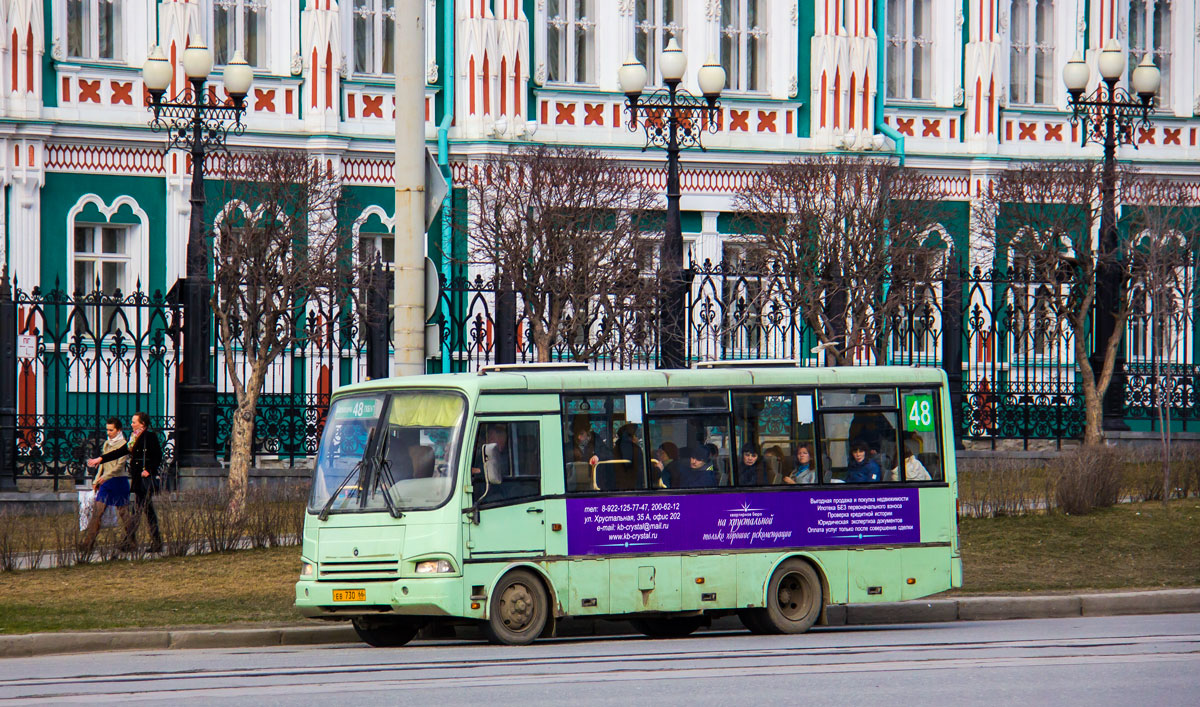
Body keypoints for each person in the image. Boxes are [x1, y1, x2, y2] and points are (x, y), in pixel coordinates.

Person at [87, 411, 163, 552]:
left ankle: (137, 542)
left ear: (143, 424)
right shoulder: (133, 438)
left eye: (134, 422)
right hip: (137, 480)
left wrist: (150, 470)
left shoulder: (149, 437)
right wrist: (101, 459)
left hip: (145, 479)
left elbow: (158, 456)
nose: (131, 424)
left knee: (142, 512)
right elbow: (121, 451)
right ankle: (139, 542)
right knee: (141, 512)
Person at [79, 418, 133, 555]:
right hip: (105, 482)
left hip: (118, 481)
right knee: (98, 512)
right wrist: (96, 480)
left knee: (124, 513)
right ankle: (88, 544)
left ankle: (132, 541)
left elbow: (119, 466)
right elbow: (102, 464)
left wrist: (105, 476)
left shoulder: (124, 444)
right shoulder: (107, 444)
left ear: (119, 430)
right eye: (107, 429)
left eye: (111, 430)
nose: (108, 433)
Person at [848, 394, 896, 469]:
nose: (876, 410)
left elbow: (889, 433)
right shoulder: (858, 420)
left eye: (878, 406)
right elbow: (854, 441)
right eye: (874, 406)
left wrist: (908, 434)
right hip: (862, 455)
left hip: (876, 453)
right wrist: (867, 450)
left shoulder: (879, 418)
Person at [610, 424, 644, 490]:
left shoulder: (615, 449)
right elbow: (641, 470)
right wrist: (658, 469)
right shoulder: (635, 449)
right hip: (633, 487)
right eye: (637, 435)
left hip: (618, 486)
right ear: (633, 436)